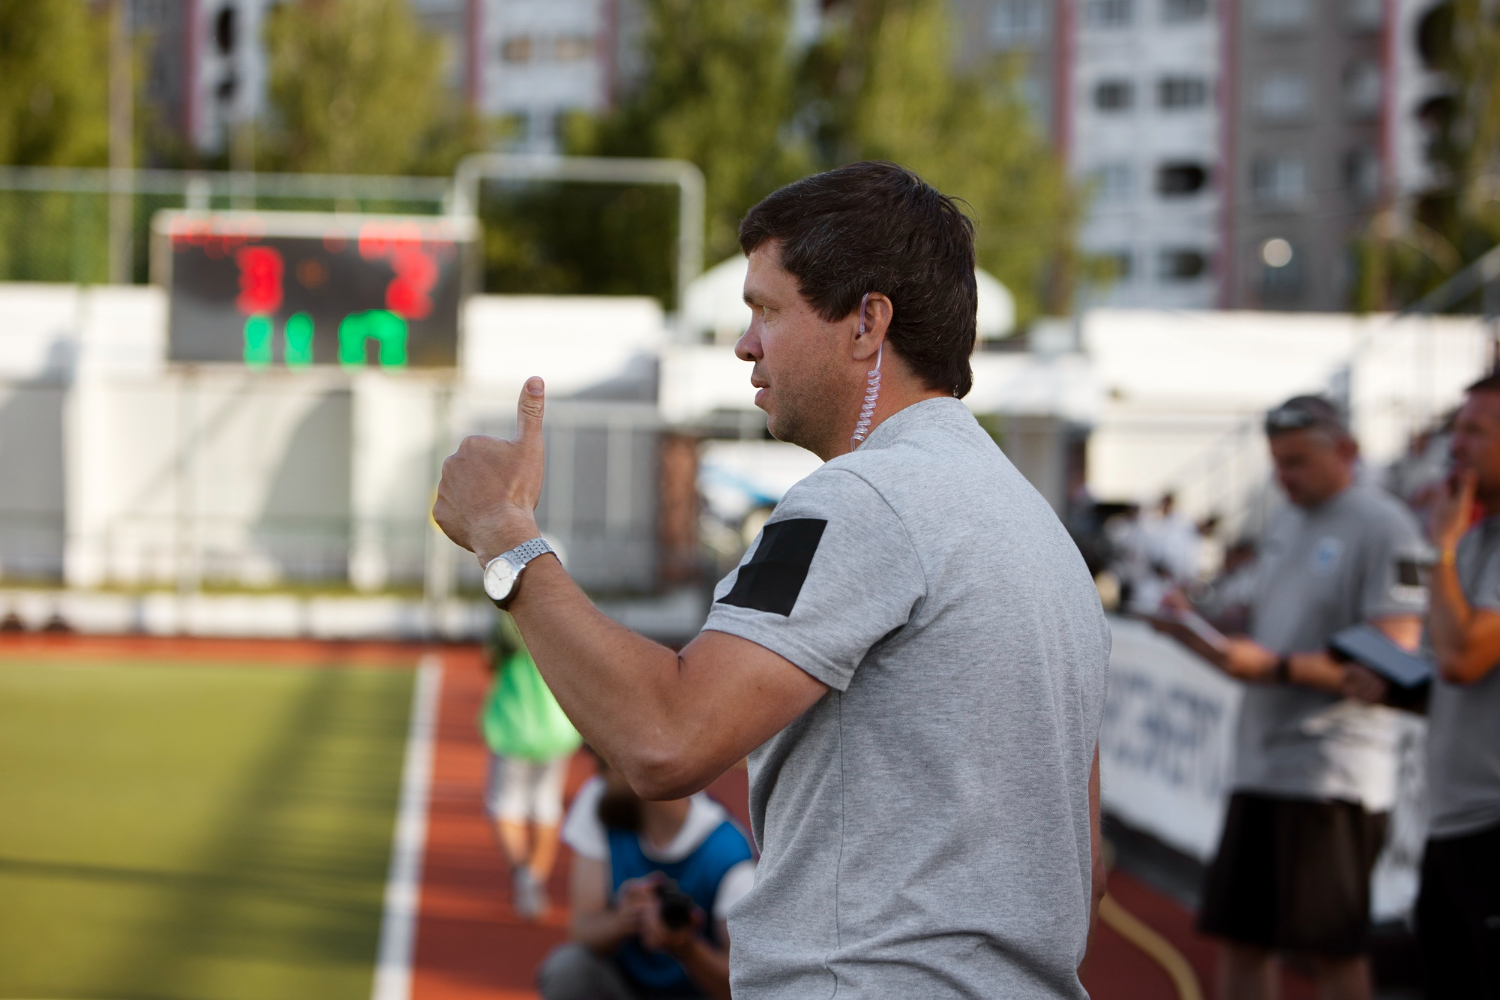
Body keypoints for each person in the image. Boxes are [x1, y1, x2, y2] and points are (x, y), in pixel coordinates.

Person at [433, 161, 1111, 998]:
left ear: (867, 323)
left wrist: (505, 536)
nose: (744, 342)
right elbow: (1085, 867)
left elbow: (664, 739)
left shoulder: (865, 497)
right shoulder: (1037, 529)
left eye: (767, 311)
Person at [1181, 396, 1427, 1000]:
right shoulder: (1288, 520)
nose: (1283, 476)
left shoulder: (1385, 525)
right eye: (1277, 462)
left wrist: (1274, 666)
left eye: (1297, 462)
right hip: (1262, 760)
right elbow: (1272, 617)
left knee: (1330, 949)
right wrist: (1208, 624)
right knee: (1242, 936)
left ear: (1346, 451)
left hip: (1332, 773)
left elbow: (1394, 651)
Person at [538, 749, 754, 1000]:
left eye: (604, 760)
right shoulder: (601, 800)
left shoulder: (728, 854)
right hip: (625, 985)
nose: (598, 772)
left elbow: (742, 985)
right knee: (568, 968)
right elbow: (582, 929)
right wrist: (626, 919)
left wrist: (686, 947)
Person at [1419, 373, 1500, 999]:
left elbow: (1464, 657)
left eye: (1475, 429)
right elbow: (1440, 671)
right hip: (1453, 820)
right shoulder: (1473, 539)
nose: (1457, 443)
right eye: (1457, 426)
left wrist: (1441, 549)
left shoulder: (1458, 543)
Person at [480, 611, 582, 919]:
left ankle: (524, 877)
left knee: (504, 807)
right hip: (555, 728)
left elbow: (491, 660)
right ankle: (534, 879)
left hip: (514, 729)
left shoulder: (507, 617)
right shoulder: (565, 614)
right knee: (546, 807)